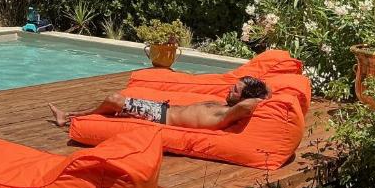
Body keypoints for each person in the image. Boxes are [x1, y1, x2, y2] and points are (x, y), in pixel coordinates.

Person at [48, 76, 270, 130]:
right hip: (160, 111)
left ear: (244, 97)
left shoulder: (230, 113)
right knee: (113, 107)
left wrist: (262, 95)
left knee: (114, 100)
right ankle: (69, 117)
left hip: (161, 117)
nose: (229, 89)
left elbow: (249, 105)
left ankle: (67, 117)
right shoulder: (224, 107)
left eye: (236, 90)